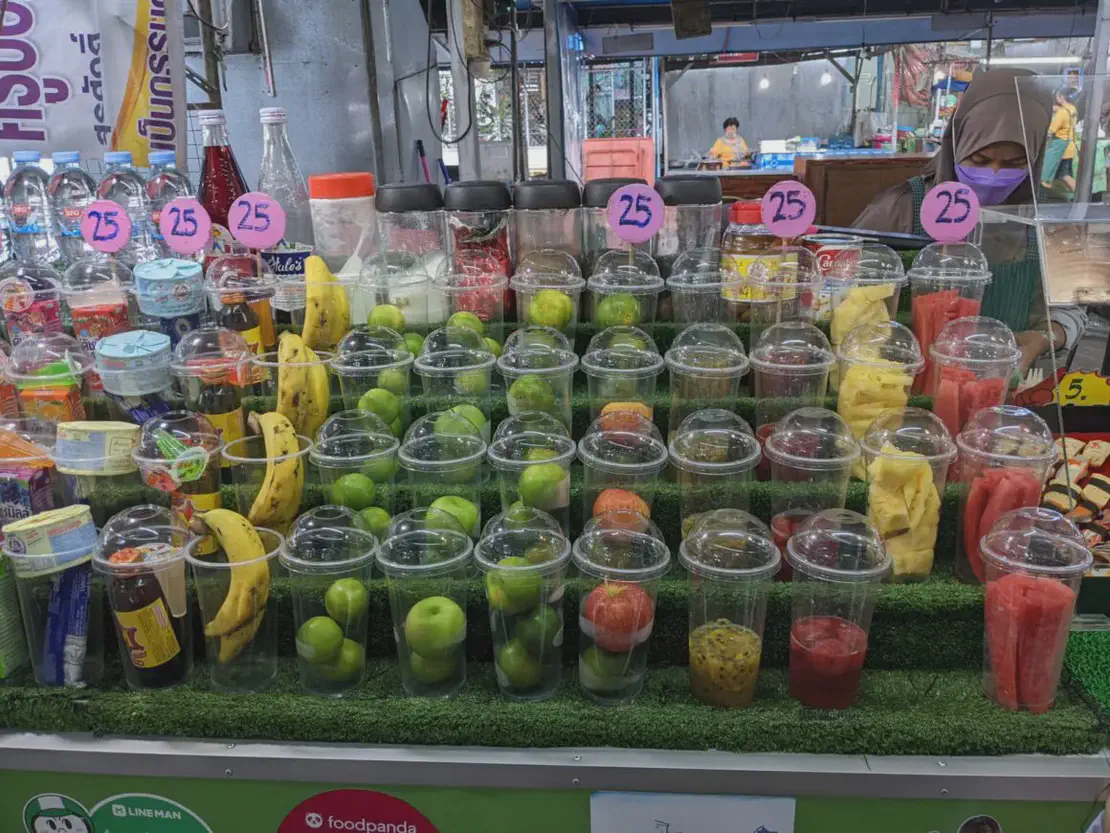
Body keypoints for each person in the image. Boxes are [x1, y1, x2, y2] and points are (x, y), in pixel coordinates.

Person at [853, 68, 1087, 375]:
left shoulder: (1050, 219)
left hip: (1001, 386)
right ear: (958, 142)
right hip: (899, 386)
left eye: (1015, 163)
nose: (993, 174)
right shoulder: (900, 207)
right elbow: (847, 289)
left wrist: (1043, 338)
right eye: (980, 159)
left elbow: (1073, 310)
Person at [1041, 87, 1079, 192]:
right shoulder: (1073, 109)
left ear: (1061, 97)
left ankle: (1045, 199)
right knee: (1063, 174)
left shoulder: (1062, 112)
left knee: (1045, 177)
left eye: (1057, 96)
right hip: (1070, 147)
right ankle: (1081, 196)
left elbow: (1051, 130)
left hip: (1059, 148)